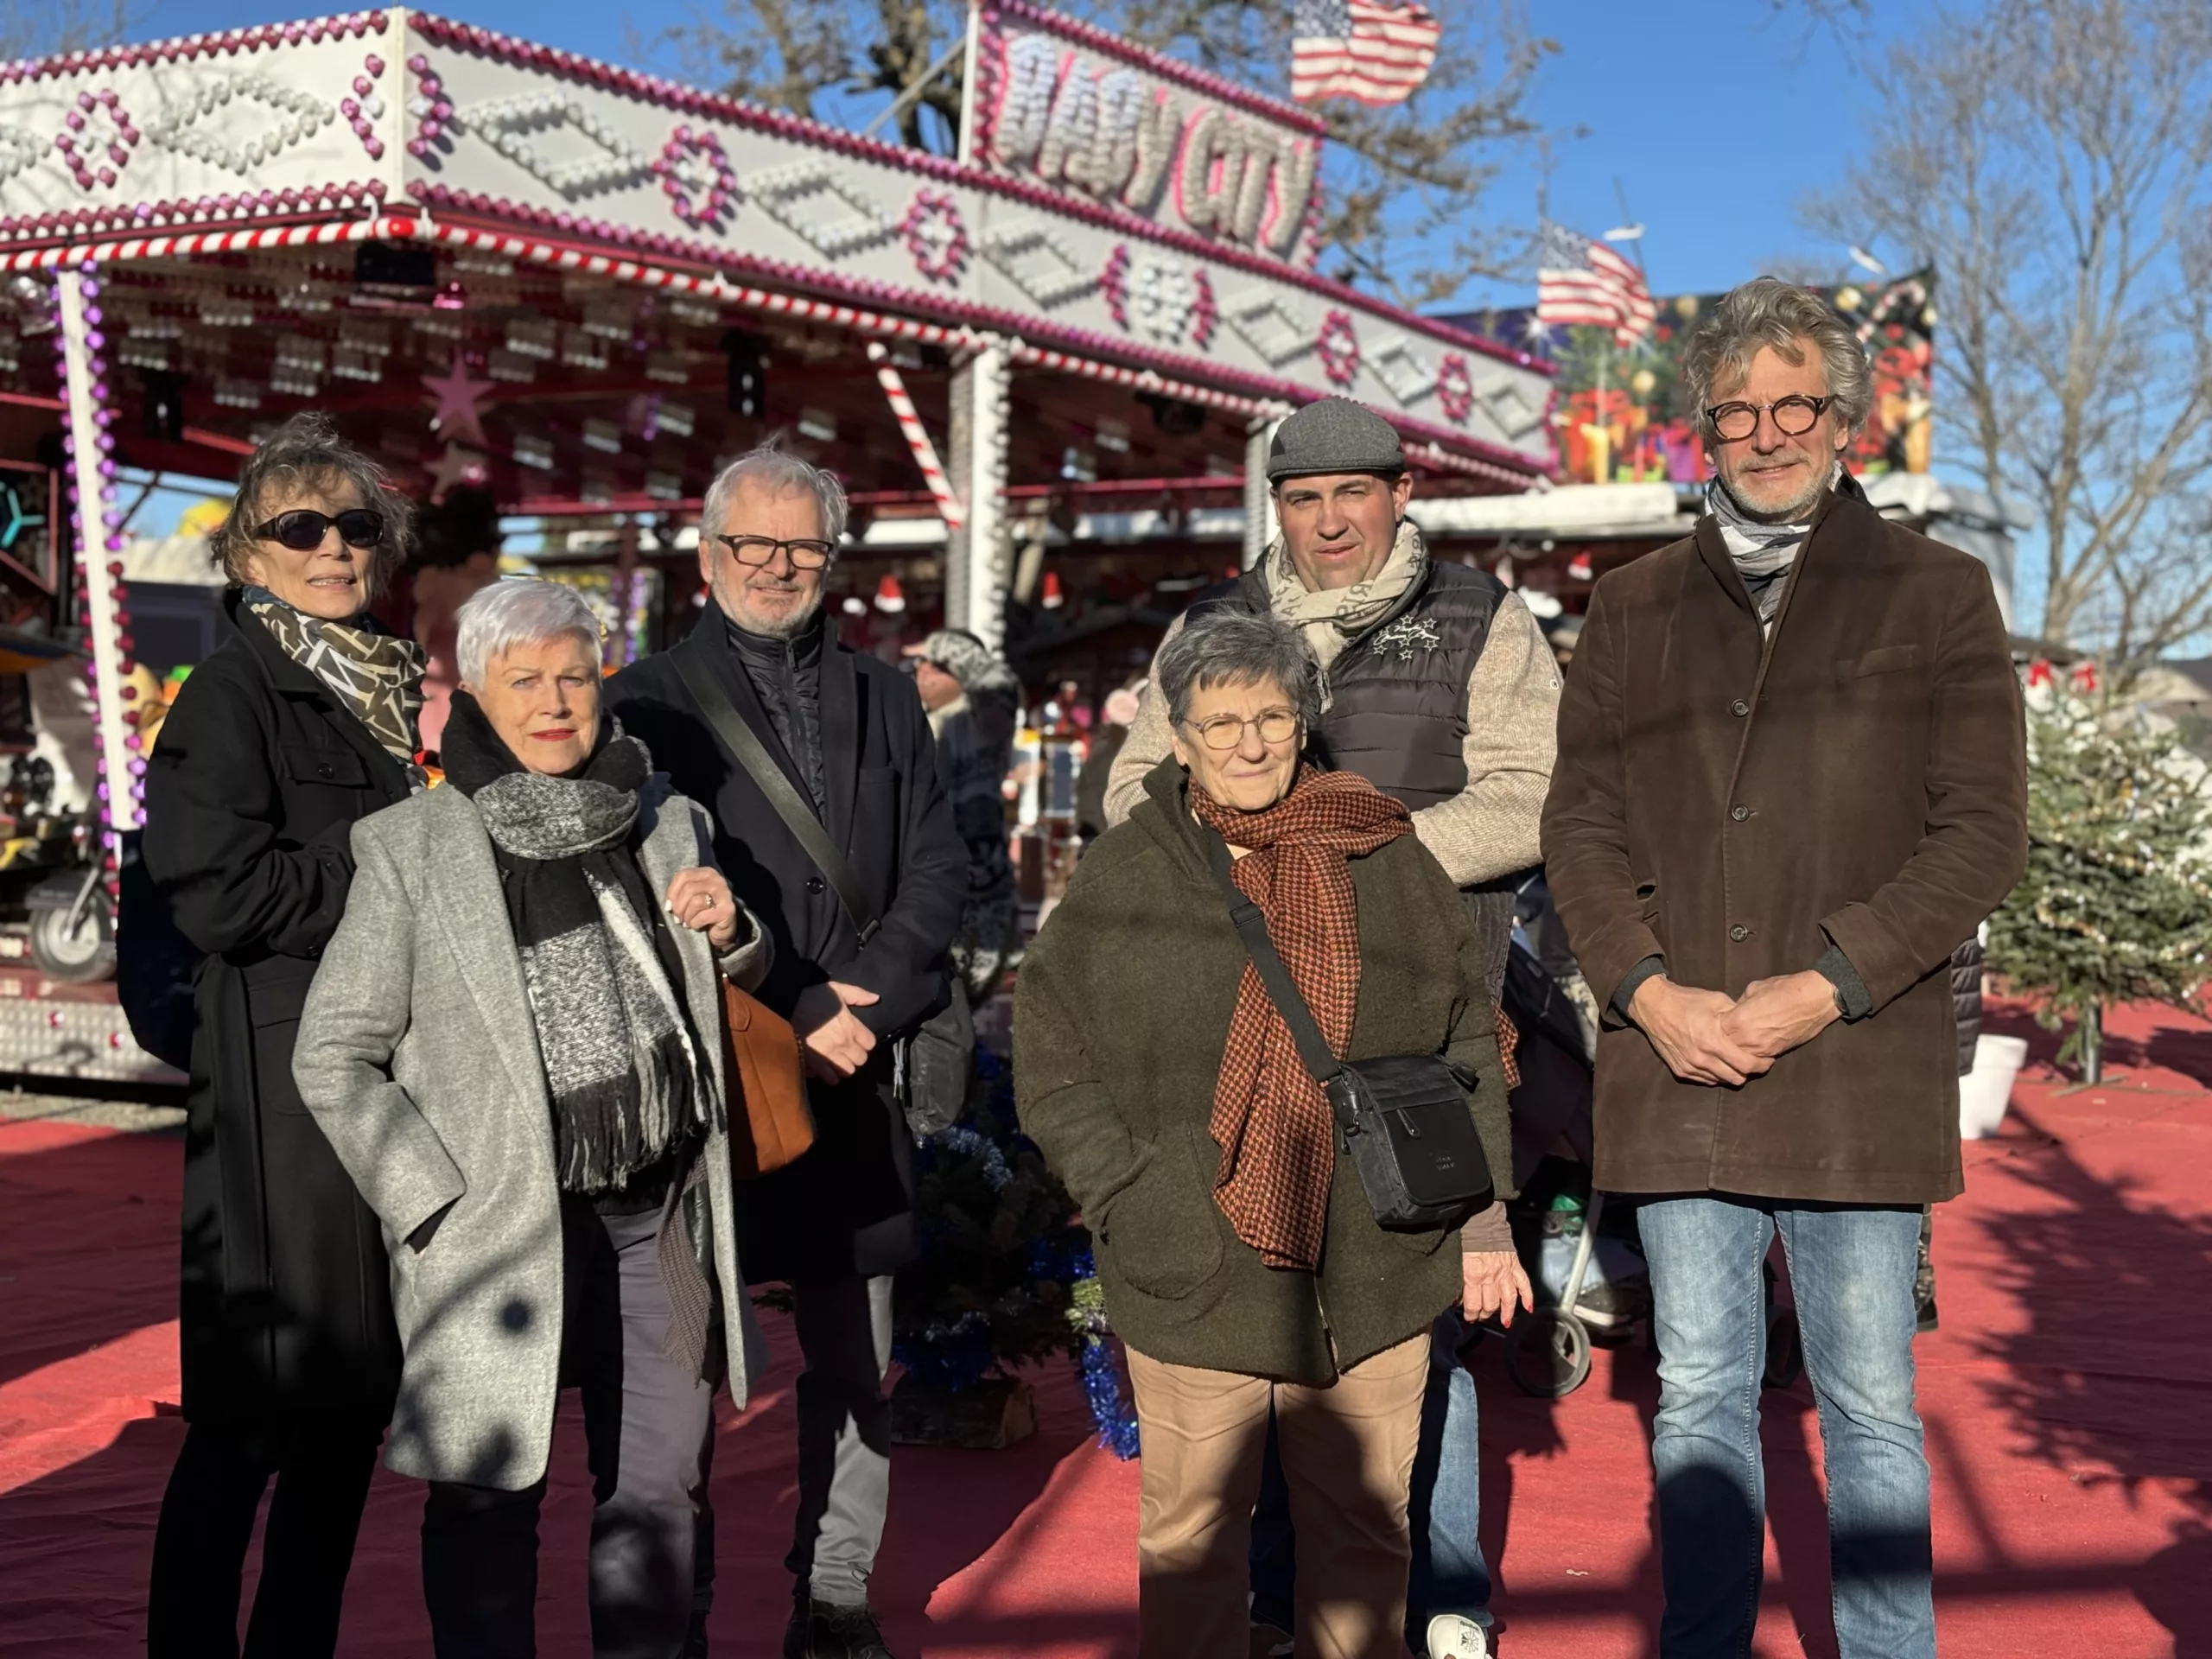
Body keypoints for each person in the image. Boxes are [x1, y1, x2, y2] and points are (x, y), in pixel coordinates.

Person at [1541, 276, 2027, 1659]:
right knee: (1696, 1396)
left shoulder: (1936, 591)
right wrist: (1645, 990)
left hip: (1853, 1062)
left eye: (1794, 403)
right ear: (1703, 427)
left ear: (1844, 415)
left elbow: (1982, 834)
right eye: (1738, 410)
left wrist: (1829, 981)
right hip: (1677, 1062)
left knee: (1869, 1402)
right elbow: (1578, 823)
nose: (1766, 433)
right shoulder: (1630, 607)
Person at [1107, 394, 1558, 1659]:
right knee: (1253, 1338)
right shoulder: (1213, 625)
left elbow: (1539, 788)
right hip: (1237, 1048)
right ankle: (1261, 1614)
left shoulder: (1482, 616)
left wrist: (1364, 852)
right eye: (1303, 499)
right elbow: (1129, 787)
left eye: (1351, 493)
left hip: (1418, 1042)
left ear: (1401, 492)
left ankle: (1442, 1603)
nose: (1328, 520)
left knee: (1421, 1335)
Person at [1018, 608, 1522, 1659]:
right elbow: (1052, 1052)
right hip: (1193, 1259)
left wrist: (1482, 1220)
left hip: (1377, 1258)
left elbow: (1467, 1029)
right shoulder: (1130, 873)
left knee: (1363, 1535)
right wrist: (1129, 1191)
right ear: (1181, 735)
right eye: (1220, 723)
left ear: (1305, 720)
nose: (1248, 744)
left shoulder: (1383, 850)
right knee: (1194, 1542)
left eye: (1271, 717)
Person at [293, 577, 769, 1657]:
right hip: (498, 1224)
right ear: (474, 691)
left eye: (574, 676)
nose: (556, 702)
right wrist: (428, 1199)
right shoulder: (412, 847)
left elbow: (729, 981)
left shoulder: (667, 820)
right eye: (526, 681)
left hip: (659, 1213)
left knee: (658, 1490)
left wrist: (735, 932)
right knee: (485, 1503)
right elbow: (334, 1054)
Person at [606, 444, 965, 1659]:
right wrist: (802, 1002)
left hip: (862, 1062)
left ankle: (836, 1591)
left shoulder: (886, 695)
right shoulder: (643, 702)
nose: (776, 566)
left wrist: (880, 997)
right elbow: (648, 896)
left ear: (834, 558)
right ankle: (685, 1606)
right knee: (688, 1372)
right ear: (708, 556)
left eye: (800, 545)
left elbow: (940, 863)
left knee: (855, 1358)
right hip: (723, 1069)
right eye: (751, 544)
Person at [140, 413, 423, 1657]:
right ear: (247, 558)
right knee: (256, 1418)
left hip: (380, 1088)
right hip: (277, 1100)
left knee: (351, 1414)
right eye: (297, 527)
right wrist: (392, 866)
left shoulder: (389, 684)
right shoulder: (233, 689)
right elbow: (220, 891)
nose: (332, 547)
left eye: (356, 525)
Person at [902, 627, 1020, 1001]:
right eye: (920, 664)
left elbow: (998, 681)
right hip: (915, 889)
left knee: (965, 1005)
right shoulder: (908, 719)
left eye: (936, 665)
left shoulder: (983, 722)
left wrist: (941, 643)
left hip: (979, 894)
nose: (922, 670)